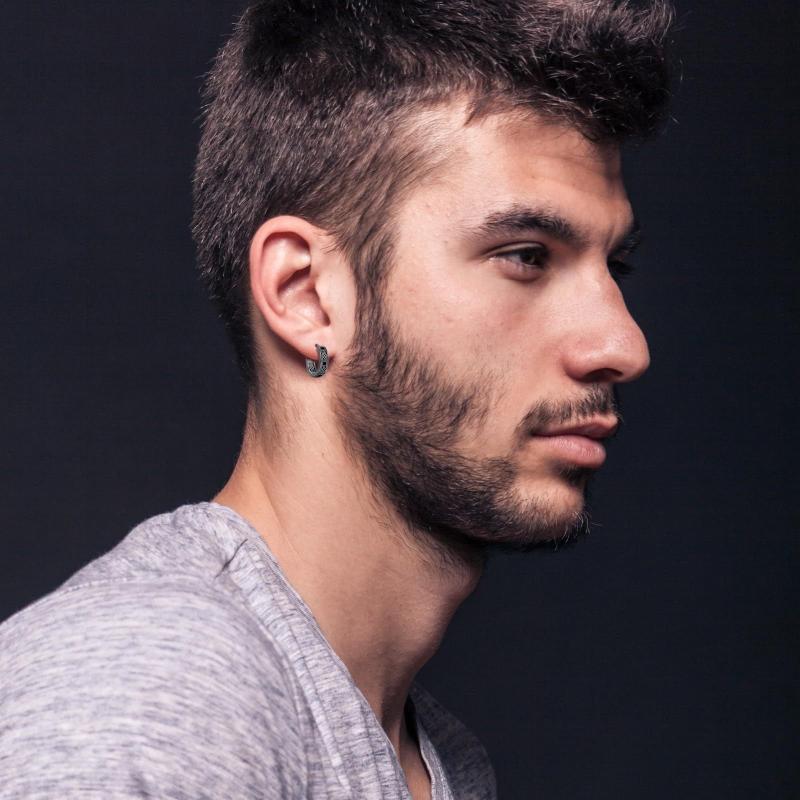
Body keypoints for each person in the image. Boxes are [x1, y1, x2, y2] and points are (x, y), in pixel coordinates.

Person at [0, 1, 674, 797]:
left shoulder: (443, 763)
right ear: (307, 295)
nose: (622, 345)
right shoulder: (142, 696)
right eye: (527, 256)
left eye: (612, 267)